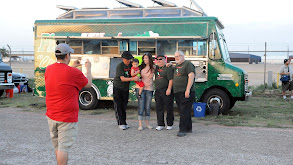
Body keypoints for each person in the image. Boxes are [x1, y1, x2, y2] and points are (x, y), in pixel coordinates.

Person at [45, 43, 92, 165]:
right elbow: (88, 84)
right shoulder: (73, 73)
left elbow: (62, 76)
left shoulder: (49, 69)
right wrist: (88, 69)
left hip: (51, 115)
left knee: (57, 146)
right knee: (63, 148)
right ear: (67, 56)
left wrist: (72, 67)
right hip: (66, 117)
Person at [113, 51, 139, 130]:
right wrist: (133, 78)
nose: (129, 61)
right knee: (118, 105)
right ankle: (121, 123)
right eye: (127, 59)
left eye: (130, 59)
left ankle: (124, 122)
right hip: (118, 87)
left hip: (125, 89)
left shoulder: (131, 65)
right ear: (123, 58)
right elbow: (123, 79)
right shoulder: (120, 66)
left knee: (124, 105)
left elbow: (137, 68)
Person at [173, 50, 195, 137]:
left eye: (179, 56)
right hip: (178, 92)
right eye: (175, 56)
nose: (177, 58)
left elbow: (191, 76)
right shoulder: (177, 66)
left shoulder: (187, 64)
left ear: (183, 56)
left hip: (185, 91)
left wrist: (188, 89)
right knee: (185, 110)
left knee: (183, 111)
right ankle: (188, 128)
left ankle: (182, 130)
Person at [154, 54, 175, 131]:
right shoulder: (156, 68)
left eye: (161, 59)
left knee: (169, 107)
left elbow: (171, 79)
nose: (159, 61)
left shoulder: (168, 67)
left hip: (166, 89)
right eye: (157, 59)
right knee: (159, 107)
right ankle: (160, 124)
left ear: (165, 59)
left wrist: (169, 89)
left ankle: (169, 123)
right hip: (158, 90)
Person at [136, 52, 155, 131]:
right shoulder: (140, 67)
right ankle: (140, 125)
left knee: (147, 107)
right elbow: (134, 73)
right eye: (144, 58)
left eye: (146, 58)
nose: (144, 59)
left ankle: (147, 124)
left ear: (150, 59)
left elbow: (163, 66)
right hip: (140, 88)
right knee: (141, 107)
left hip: (149, 89)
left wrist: (170, 64)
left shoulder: (153, 67)